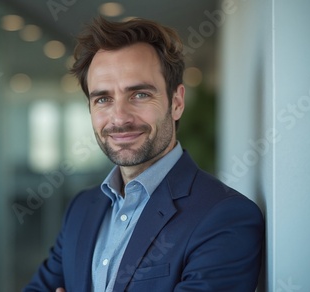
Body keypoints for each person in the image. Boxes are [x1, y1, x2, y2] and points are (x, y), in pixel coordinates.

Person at [24, 17, 264, 292]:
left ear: (176, 103)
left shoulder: (224, 217)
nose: (119, 118)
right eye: (103, 99)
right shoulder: (81, 208)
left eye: (139, 94)